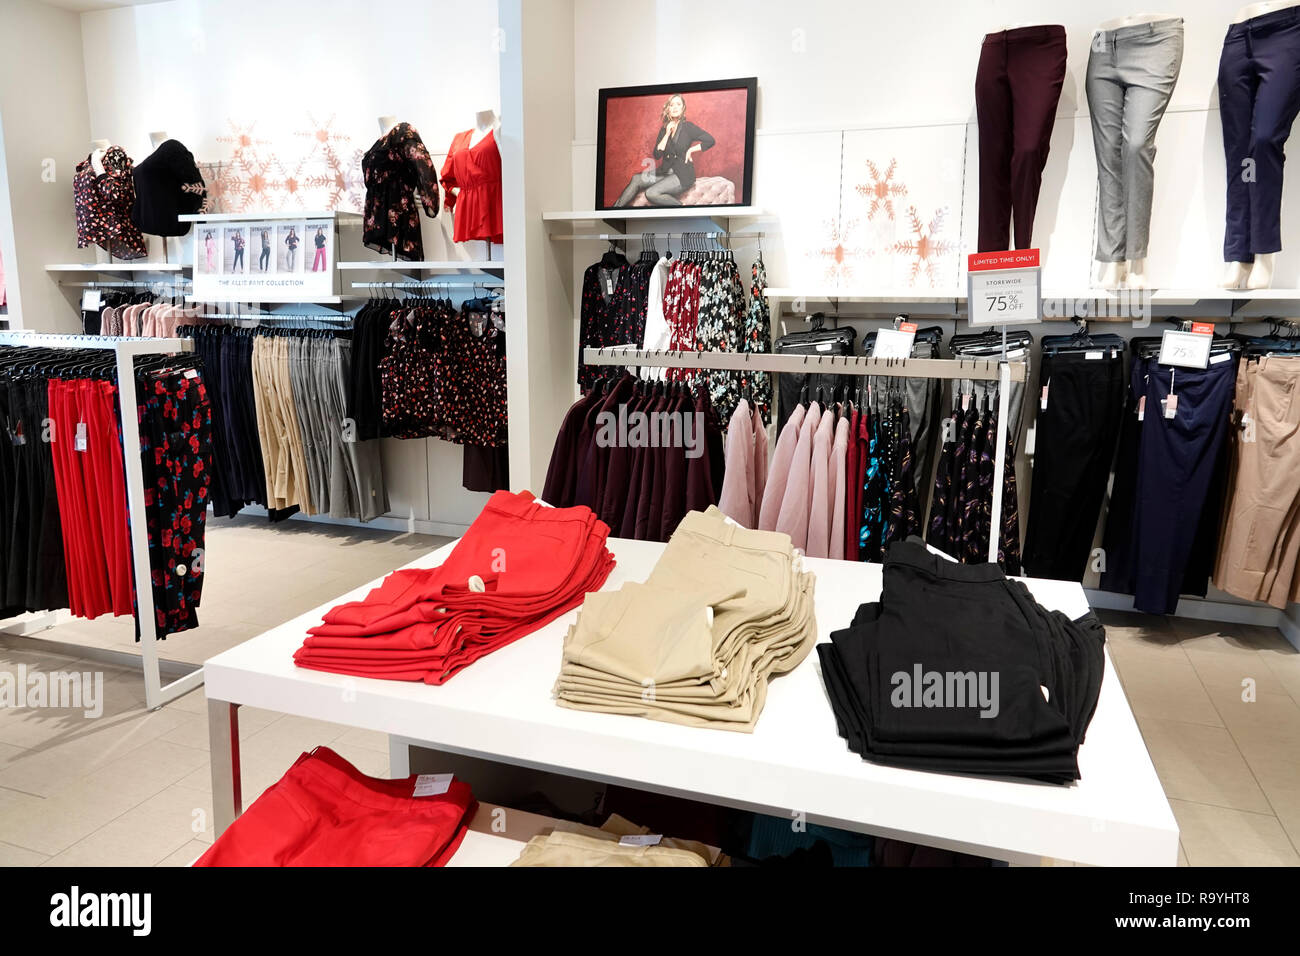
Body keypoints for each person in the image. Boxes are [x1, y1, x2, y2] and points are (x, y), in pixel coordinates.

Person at [613, 93, 716, 207]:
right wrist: (667, 133)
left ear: (683, 108)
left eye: (678, 104)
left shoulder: (688, 127)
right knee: (636, 179)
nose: (675, 107)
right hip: (665, 172)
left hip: (682, 174)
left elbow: (710, 140)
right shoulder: (664, 129)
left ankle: (681, 207)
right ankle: (613, 211)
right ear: (668, 109)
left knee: (651, 193)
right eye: (672, 105)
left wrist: (690, 150)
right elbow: (657, 155)